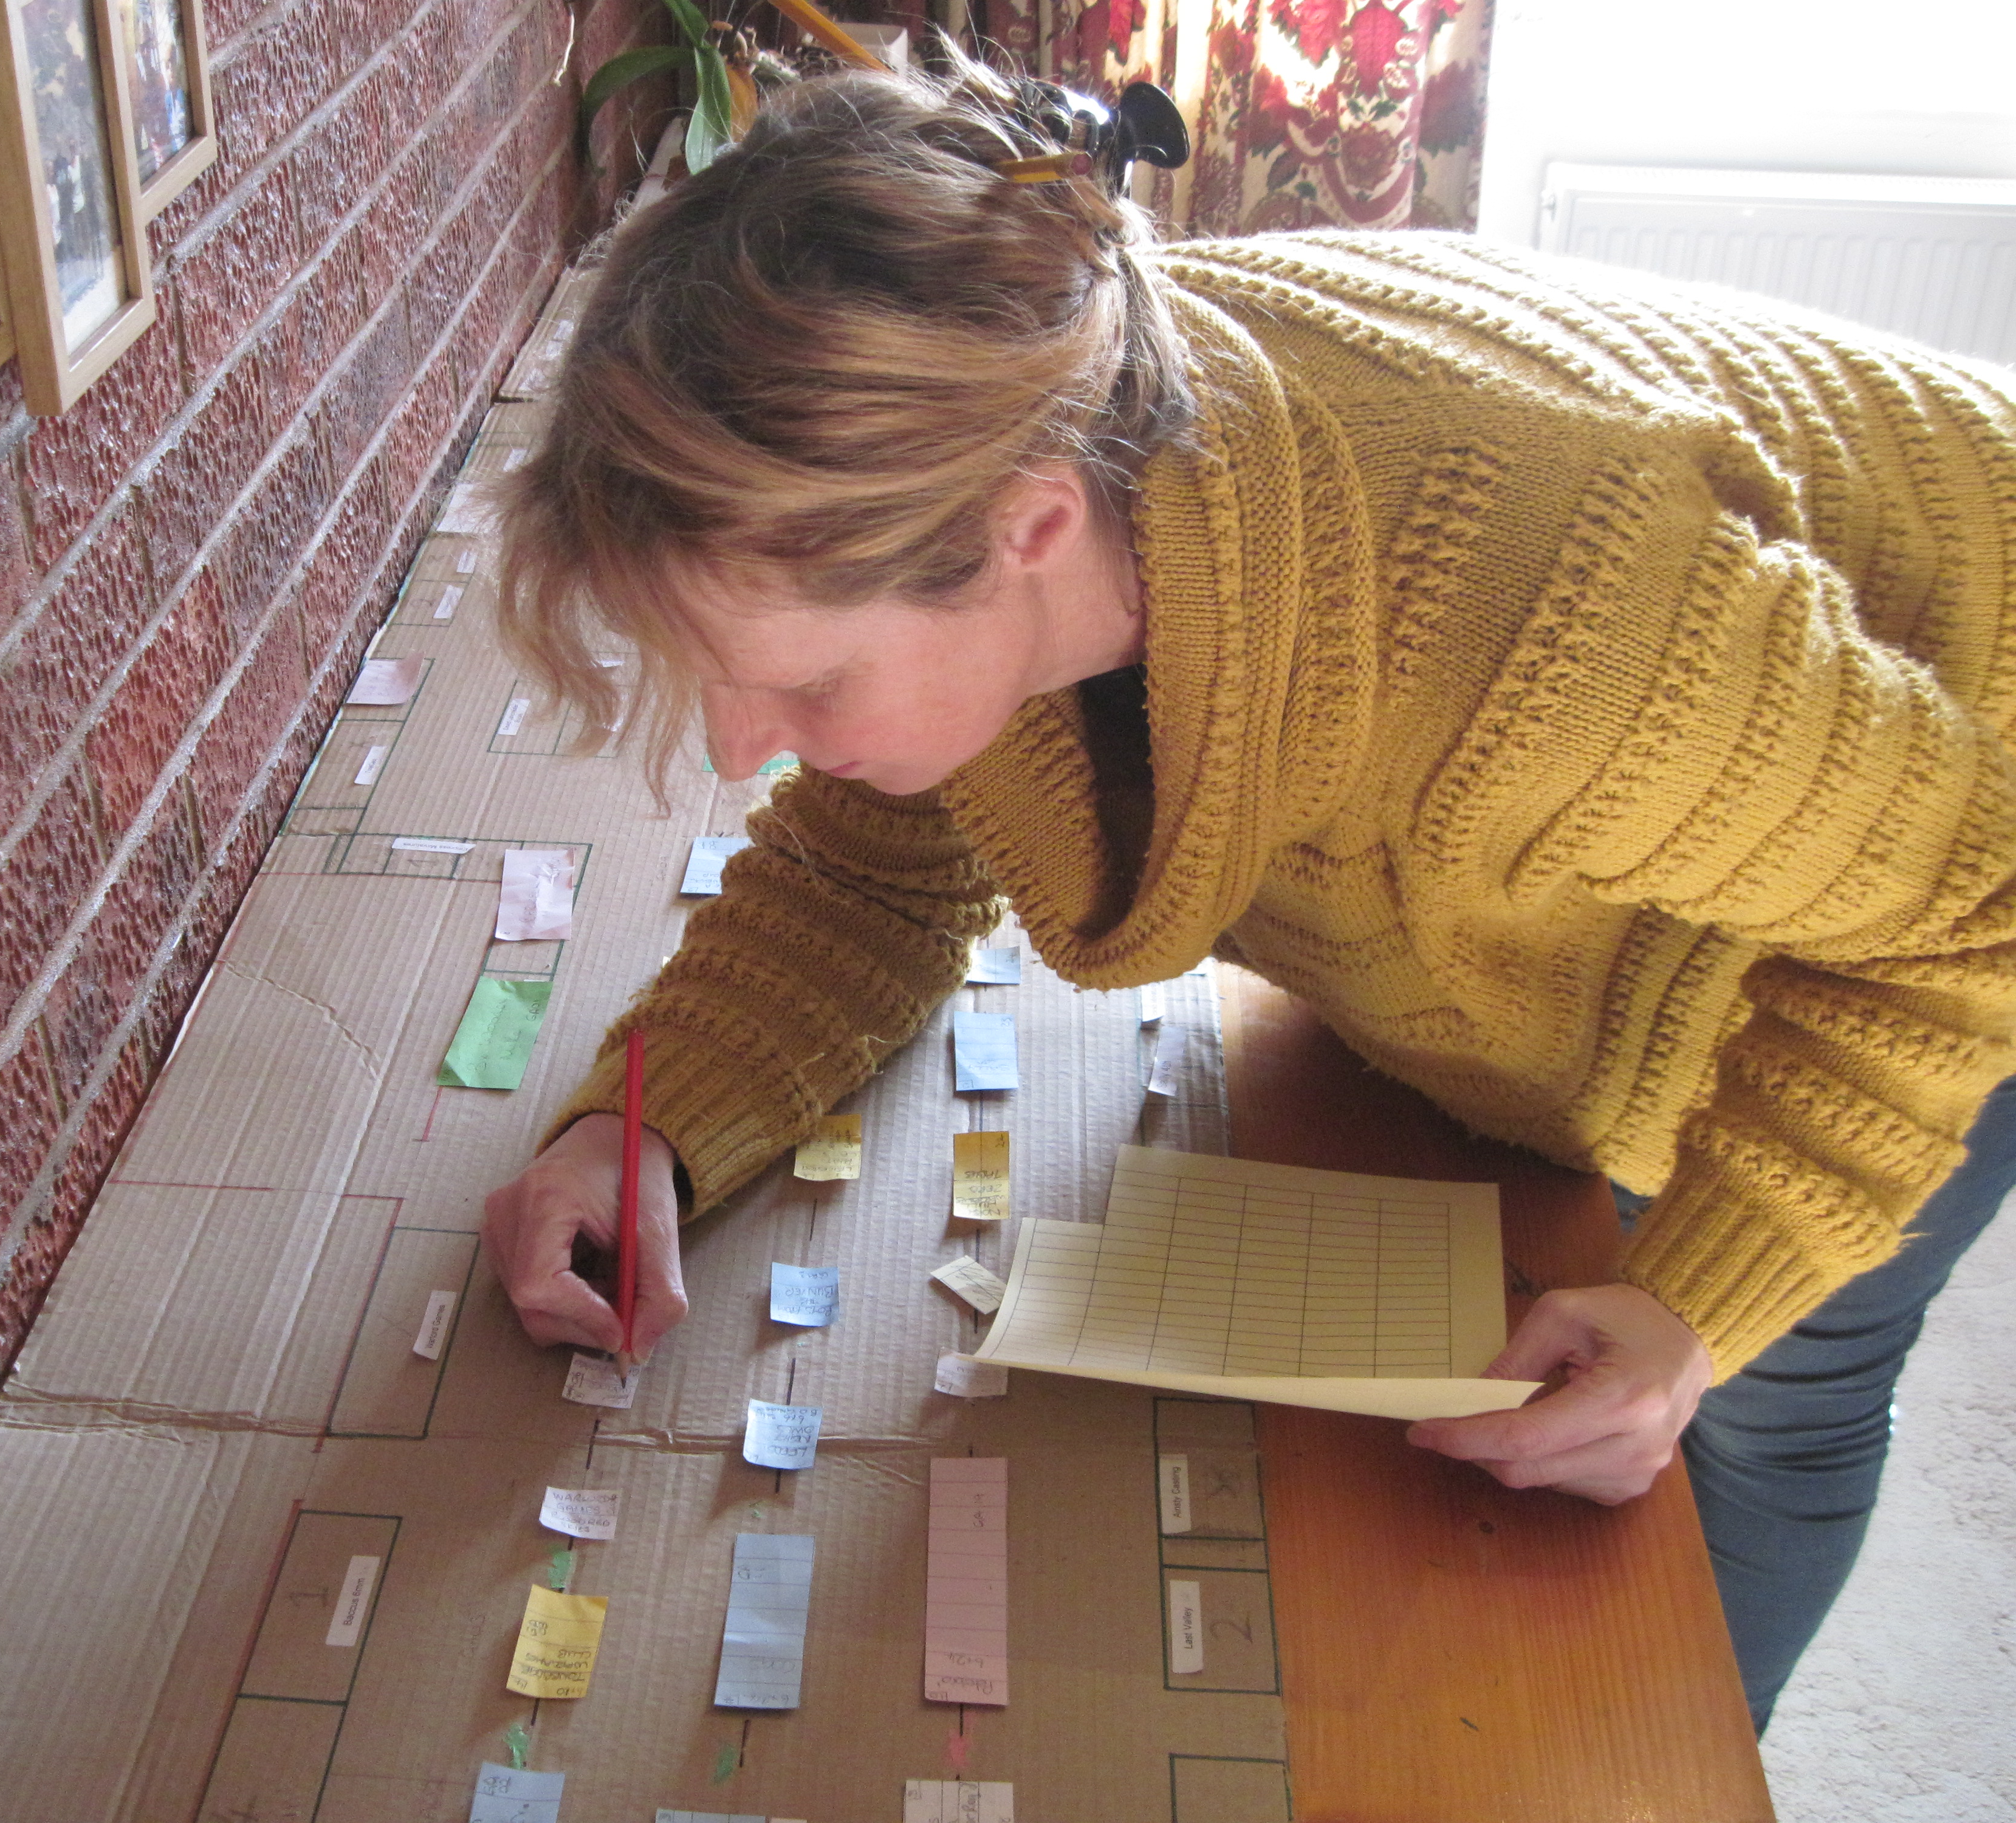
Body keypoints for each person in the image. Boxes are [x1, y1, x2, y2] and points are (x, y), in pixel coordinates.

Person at [482, 60, 2016, 1731]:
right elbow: (873, 859)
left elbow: (1974, 914)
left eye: (803, 682)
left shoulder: (1560, 643)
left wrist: (1697, 1309)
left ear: (1028, 530)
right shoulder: (1027, 449)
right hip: (1718, 807)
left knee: (1769, 1399)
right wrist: (652, 1125)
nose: (740, 747)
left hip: (1952, 810)